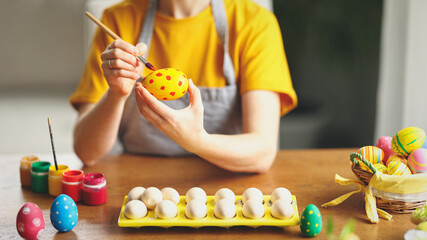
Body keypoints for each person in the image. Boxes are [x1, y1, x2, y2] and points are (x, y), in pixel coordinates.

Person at [70, 0, 297, 173]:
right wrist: (116, 94)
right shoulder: (118, 21)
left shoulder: (254, 23)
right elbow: (86, 151)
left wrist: (199, 142)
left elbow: (263, 151)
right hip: (138, 190)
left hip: (228, 190)